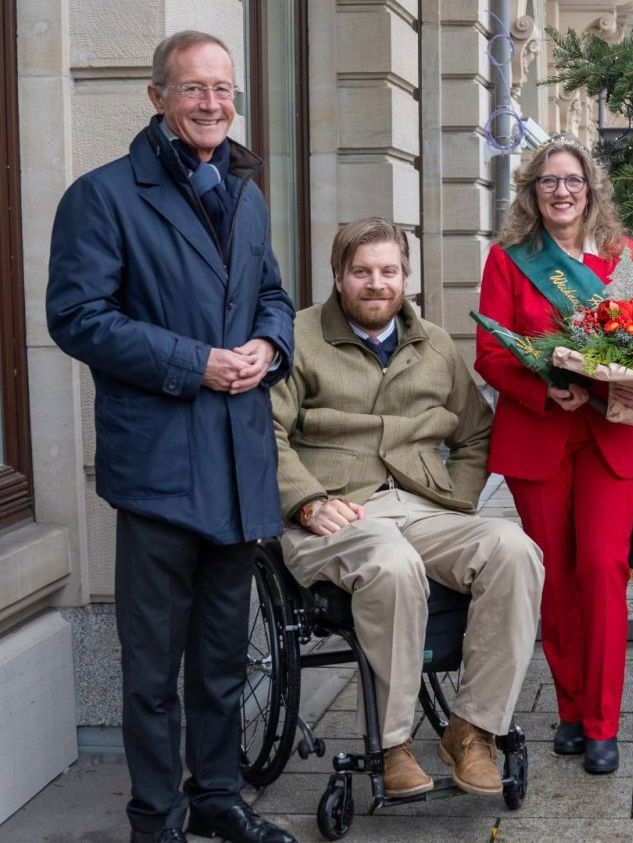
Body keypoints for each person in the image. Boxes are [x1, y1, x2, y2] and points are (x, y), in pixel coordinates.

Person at [45, 31, 296, 843]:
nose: (213, 104)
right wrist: (198, 364)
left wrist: (270, 345)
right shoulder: (102, 195)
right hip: (157, 465)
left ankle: (218, 796)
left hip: (237, 464)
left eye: (224, 90)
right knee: (153, 668)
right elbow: (77, 318)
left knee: (222, 659)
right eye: (194, 90)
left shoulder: (247, 194)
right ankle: (156, 817)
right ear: (157, 97)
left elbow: (272, 296)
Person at [273, 217, 544, 799]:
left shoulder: (436, 345)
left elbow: (476, 435)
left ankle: (472, 730)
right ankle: (392, 744)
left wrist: (461, 500)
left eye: (388, 271)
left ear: (406, 279)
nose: (376, 283)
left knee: (515, 550)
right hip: (334, 510)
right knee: (392, 562)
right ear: (338, 277)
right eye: (362, 272)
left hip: (422, 505)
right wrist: (304, 503)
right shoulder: (296, 336)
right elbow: (260, 434)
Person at [475, 135, 633, 775]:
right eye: (548, 181)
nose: (561, 191)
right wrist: (547, 389)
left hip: (611, 436)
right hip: (543, 435)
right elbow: (492, 353)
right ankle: (573, 709)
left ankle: (605, 722)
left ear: (591, 189)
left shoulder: (622, 257)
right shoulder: (508, 260)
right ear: (531, 191)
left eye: (572, 181)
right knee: (555, 578)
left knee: (603, 572)